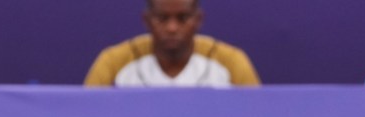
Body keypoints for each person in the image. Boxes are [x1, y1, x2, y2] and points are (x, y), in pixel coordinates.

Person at [84, 0, 259, 88]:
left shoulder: (231, 62)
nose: (172, 28)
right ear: (147, 20)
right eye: (162, 18)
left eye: (183, 18)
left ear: (198, 20)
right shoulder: (114, 63)